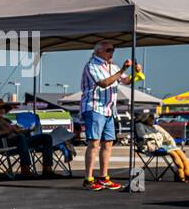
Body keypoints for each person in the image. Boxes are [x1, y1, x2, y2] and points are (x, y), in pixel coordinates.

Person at [79, 40, 131, 191]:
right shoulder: (91, 65)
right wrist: (121, 70)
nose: (112, 53)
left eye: (113, 50)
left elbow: (126, 81)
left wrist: (137, 73)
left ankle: (103, 177)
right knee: (94, 143)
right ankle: (88, 178)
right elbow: (104, 83)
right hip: (94, 107)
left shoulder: (112, 67)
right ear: (98, 52)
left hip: (109, 109)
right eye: (109, 50)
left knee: (108, 143)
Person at [0, 99, 55, 177]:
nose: (1, 110)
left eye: (3, 108)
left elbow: (18, 132)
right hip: (2, 143)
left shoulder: (6, 120)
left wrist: (28, 130)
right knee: (20, 138)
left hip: (18, 142)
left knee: (46, 137)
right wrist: (5, 131)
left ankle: (47, 168)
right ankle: (25, 169)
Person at [133, 109, 189, 181]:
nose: (153, 119)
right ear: (146, 117)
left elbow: (160, 135)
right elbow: (143, 137)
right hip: (150, 146)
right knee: (173, 153)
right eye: (151, 117)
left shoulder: (151, 126)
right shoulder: (139, 125)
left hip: (160, 145)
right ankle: (181, 173)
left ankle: (186, 171)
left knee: (180, 152)